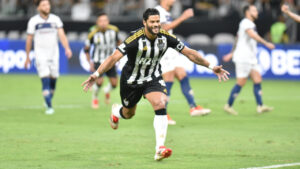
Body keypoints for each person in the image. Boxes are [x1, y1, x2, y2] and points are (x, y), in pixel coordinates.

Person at [82, 8, 229, 161]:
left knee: (160, 102)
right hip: (131, 81)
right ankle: (116, 112)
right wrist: (96, 74)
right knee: (129, 114)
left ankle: (159, 148)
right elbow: (113, 58)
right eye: (152, 22)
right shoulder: (134, 39)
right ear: (144, 23)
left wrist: (212, 67)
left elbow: (190, 53)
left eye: (158, 21)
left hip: (152, 78)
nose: (156, 25)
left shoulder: (165, 37)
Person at [156, 0, 211, 125]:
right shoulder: (158, 10)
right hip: (163, 49)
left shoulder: (165, 12)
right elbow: (163, 29)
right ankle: (163, 114)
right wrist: (183, 17)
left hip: (170, 48)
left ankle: (193, 107)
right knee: (169, 78)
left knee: (182, 74)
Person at [223, 5, 275, 115]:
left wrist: (231, 53)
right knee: (241, 82)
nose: (257, 12)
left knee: (257, 79)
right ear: (247, 12)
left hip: (250, 58)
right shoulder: (246, 23)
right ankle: (228, 105)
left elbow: (238, 39)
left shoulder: (249, 23)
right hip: (243, 58)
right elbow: (252, 35)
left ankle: (260, 106)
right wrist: (266, 43)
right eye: (254, 10)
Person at [24, 0, 72, 115]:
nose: (47, 7)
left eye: (48, 4)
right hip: (40, 54)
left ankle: (48, 98)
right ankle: (49, 107)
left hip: (54, 54)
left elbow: (61, 34)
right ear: (38, 8)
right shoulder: (33, 21)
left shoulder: (55, 19)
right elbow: (29, 39)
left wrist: (67, 48)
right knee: (45, 79)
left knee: (53, 79)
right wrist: (27, 57)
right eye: (44, 5)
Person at [84, 12, 121, 108]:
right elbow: (86, 49)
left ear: (108, 21)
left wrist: (119, 57)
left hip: (110, 60)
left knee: (114, 84)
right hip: (98, 60)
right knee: (99, 82)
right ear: (97, 22)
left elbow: (119, 43)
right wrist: (90, 62)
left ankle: (107, 90)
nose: (103, 23)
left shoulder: (114, 30)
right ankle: (95, 98)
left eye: (105, 20)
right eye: (101, 21)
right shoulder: (92, 33)